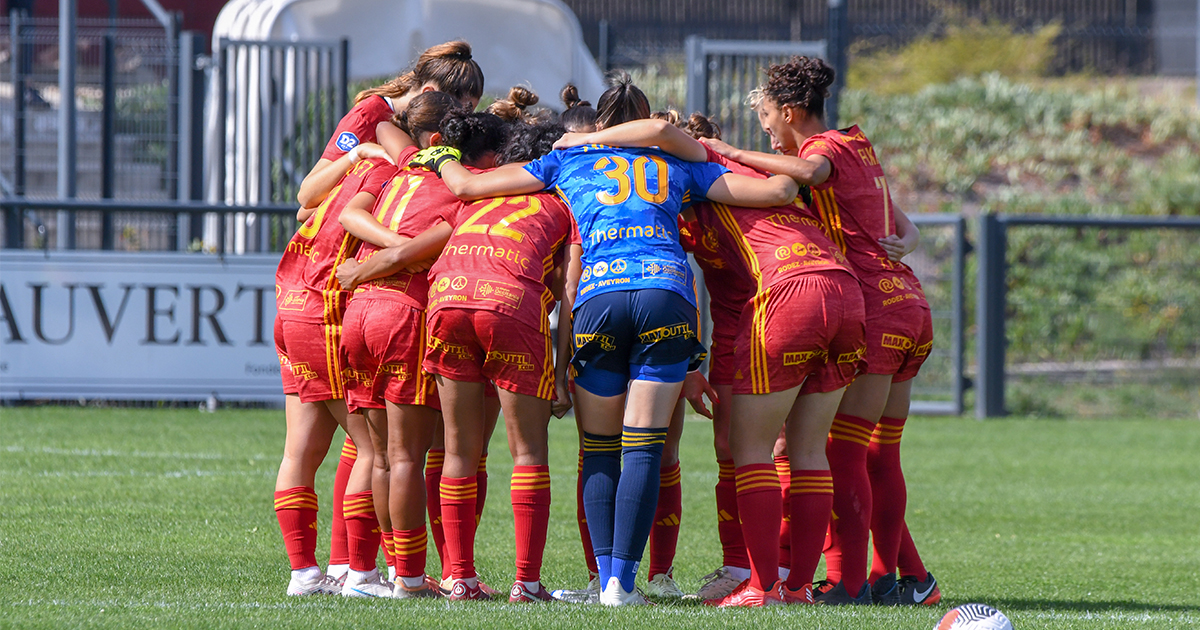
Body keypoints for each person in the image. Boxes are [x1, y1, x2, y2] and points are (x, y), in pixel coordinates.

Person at [414, 72, 799, 606]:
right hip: (666, 294)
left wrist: (438, 159)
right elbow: (781, 190)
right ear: (648, 121)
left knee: (598, 449)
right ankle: (624, 583)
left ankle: (604, 582)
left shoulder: (566, 159)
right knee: (645, 445)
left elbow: (468, 187)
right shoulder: (677, 164)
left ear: (598, 124)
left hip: (600, 297)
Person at [553, 111, 866, 607]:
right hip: (848, 289)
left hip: (784, 292)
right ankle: (799, 585)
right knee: (812, 451)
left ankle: (757, 584)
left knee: (744, 450)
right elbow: (783, 203)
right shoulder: (752, 175)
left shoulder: (700, 178)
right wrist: (701, 361)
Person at [699, 57, 937, 606]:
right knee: (878, 453)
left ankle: (848, 583)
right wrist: (914, 237)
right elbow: (897, 218)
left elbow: (807, 176)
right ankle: (901, 579)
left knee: (843, 453)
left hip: (870, 303)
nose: (763, 130)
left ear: (789, 112)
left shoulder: (819, 152)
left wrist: (728, 153)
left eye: (764, 117)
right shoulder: (858, 141)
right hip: (906, 299)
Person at [292, 41, 484, 580]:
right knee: (382, 449)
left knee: (365, 446)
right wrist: (397, 241)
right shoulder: (375, 115)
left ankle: (351, 569)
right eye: (458, 112)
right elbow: (307, 195)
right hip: (341, 289)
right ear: (430, 96)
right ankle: (374, 570)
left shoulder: (412, 146)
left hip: (356, 295)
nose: (460, 128)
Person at [333, 91, 464, 599]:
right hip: (401, 312)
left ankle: (383, 573)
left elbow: (352, 210)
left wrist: (371, 259)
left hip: (358, 313)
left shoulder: (403, 168)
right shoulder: (461, 190)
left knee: (383, 458)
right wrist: (401, 252)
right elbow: (420, 249)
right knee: (407, 457)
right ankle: (408, 577)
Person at [271, 135, 405, 598]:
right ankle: (362, 576)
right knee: (377, 450)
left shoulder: (355, 170)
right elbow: (353, 219)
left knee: (300, 452)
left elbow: (305, 211)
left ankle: (306, 574)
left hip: (289, 303)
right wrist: (407, 247)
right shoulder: (392, 172)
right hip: (323, 309)